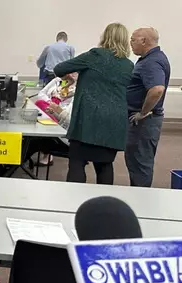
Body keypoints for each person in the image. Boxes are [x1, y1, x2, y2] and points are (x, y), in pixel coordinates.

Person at [53, 22, 134, 185]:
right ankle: (104, 202)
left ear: (105, 36)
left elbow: (59, 68)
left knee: (77, 162)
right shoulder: (128, 65)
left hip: (88, 119)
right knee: (105, 164)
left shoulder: (94, 56)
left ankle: (72, 202)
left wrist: (69, 77)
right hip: (114, 121)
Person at [125, 27, 170, 187]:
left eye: (133, 39)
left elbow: (157, 89)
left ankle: (140, 203)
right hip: (146, 121)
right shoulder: (152, 58)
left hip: (144, 122)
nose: (130, 43)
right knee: (138, 162)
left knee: (140, 163)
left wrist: (142, 113)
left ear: (144, 41)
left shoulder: (151, 62)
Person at [34, 72, 78, 165]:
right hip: (51, 109)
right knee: (39, 103)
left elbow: (68, 117)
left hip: (63, 122)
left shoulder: (79, 88)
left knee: (35, 140)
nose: (71, 74)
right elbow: (41, 94)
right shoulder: (57, 81)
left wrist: (57, 108)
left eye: (75, 72)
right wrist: (51, 102)